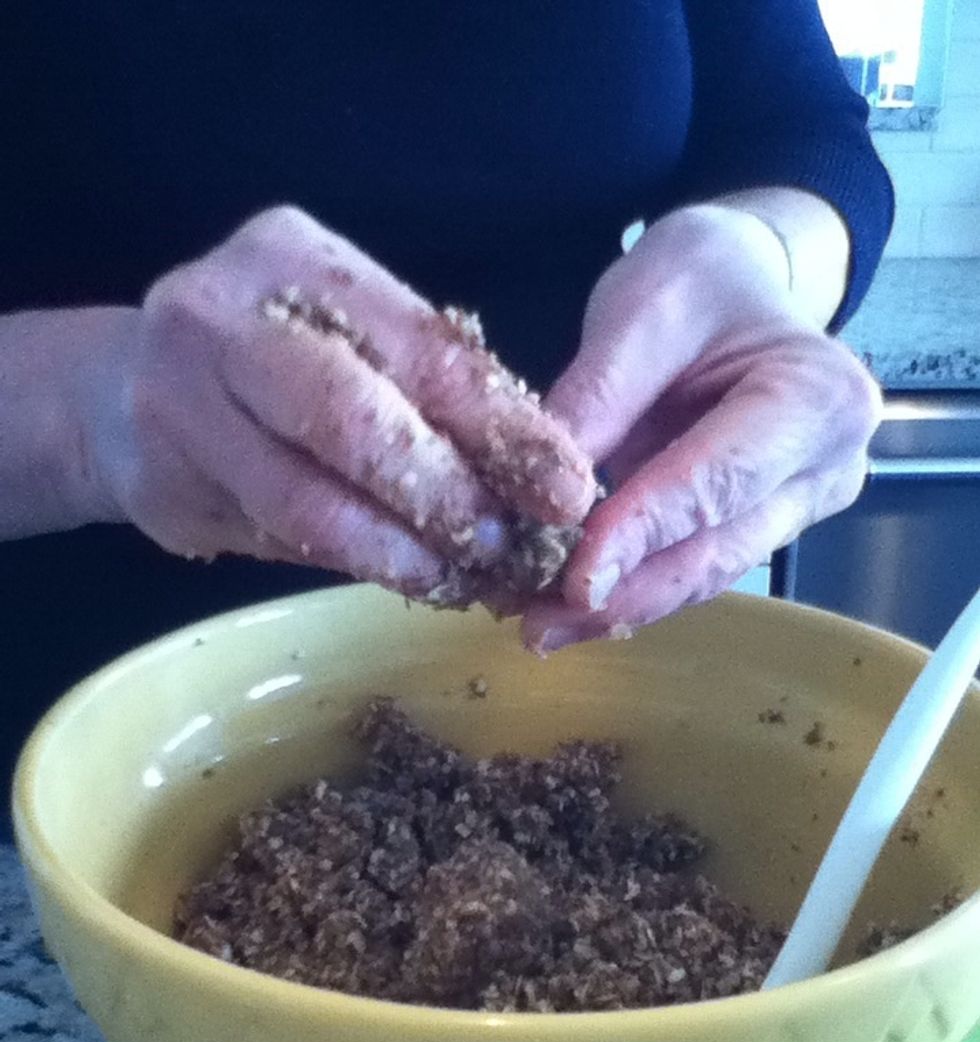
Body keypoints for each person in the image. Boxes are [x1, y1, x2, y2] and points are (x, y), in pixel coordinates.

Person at [0, 3, 892, 788]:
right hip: (85, 753)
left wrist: (760, 253)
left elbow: (797, 127)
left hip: (570, 693)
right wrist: (94, 407)